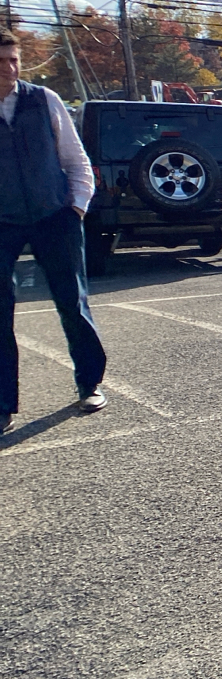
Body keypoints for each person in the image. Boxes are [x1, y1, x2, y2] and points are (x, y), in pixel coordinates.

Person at [0, 29, 107, 434]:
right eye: (1, 61)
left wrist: (75, 208)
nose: (10, 68)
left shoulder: (43, 100)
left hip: (53, 215)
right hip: (3, 221)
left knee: (72, 302)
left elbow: (75, 159)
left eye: (14, 59)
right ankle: (3, 403)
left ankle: (89, 383)